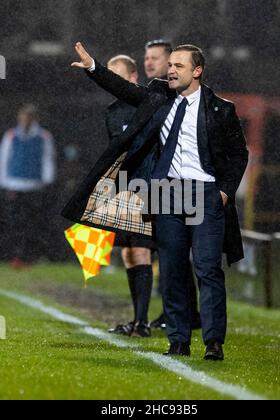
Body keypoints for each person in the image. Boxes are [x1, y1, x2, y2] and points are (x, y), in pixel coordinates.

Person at [62, 42, 248, 360]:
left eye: (178, 66)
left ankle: (213, 340)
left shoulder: (221, 109)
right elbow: (124, 88)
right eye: (170, 65)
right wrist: (94, 67)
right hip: (165, 193)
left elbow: (238, 156)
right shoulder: (159, 96)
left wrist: (225, 191)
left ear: (197, 71)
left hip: (205, 195)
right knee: (173, 270)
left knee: (207, 270)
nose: (170, 70)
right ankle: (178, 340)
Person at [144, 40, 201, 331]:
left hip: (186, 185)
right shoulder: (154, 95)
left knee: (179, 253)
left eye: (157, 58)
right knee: (164, 251)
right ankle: (178, 313)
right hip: (157, 182)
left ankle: (185, 314)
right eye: (147, 58)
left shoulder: (188, 98)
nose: (150, 63)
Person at [105, 55, 154, 338]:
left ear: (133, 77)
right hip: (122, 188)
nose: (111, 82)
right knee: (127, 253)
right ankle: (137, 320)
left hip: (147, 188)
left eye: (116, 76)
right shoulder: (111, 111)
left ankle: (144, 322)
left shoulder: (145, 104)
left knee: (142, 249)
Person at [0, 104, 56, 266]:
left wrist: (47, 180)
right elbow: (4, 159)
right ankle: (14, 255)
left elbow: (47, 159)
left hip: (34, 185)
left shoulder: (44, 136)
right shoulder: (11, 136)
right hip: (15, 184)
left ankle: (30, 256)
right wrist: (5, 182)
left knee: (33, 222)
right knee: (15, 222)